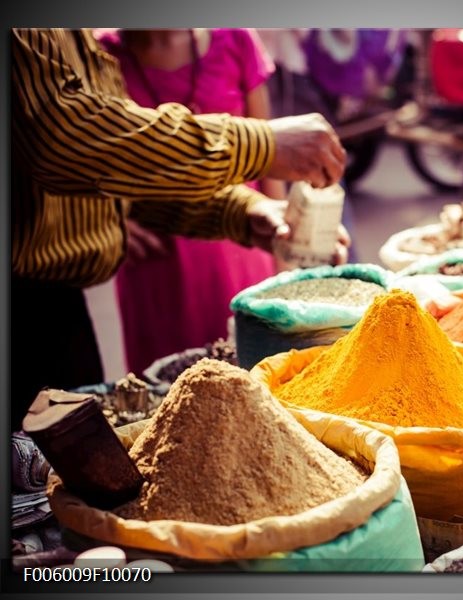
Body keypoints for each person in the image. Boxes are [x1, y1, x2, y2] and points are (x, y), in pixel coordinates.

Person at [10, 28, 348, 430]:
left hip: (62, 308)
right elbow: (65, 138)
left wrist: (243, 211)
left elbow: (125, 178)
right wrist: (262, 145)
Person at [95, 28, 288, 375]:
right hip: (158, 266)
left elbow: (272, 156)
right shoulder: (100, 55)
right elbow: (79, 157)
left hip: (244, 240)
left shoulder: (236, 40)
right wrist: (107, 218)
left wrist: (287, 252)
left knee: (259, 379)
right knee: (172, 392)